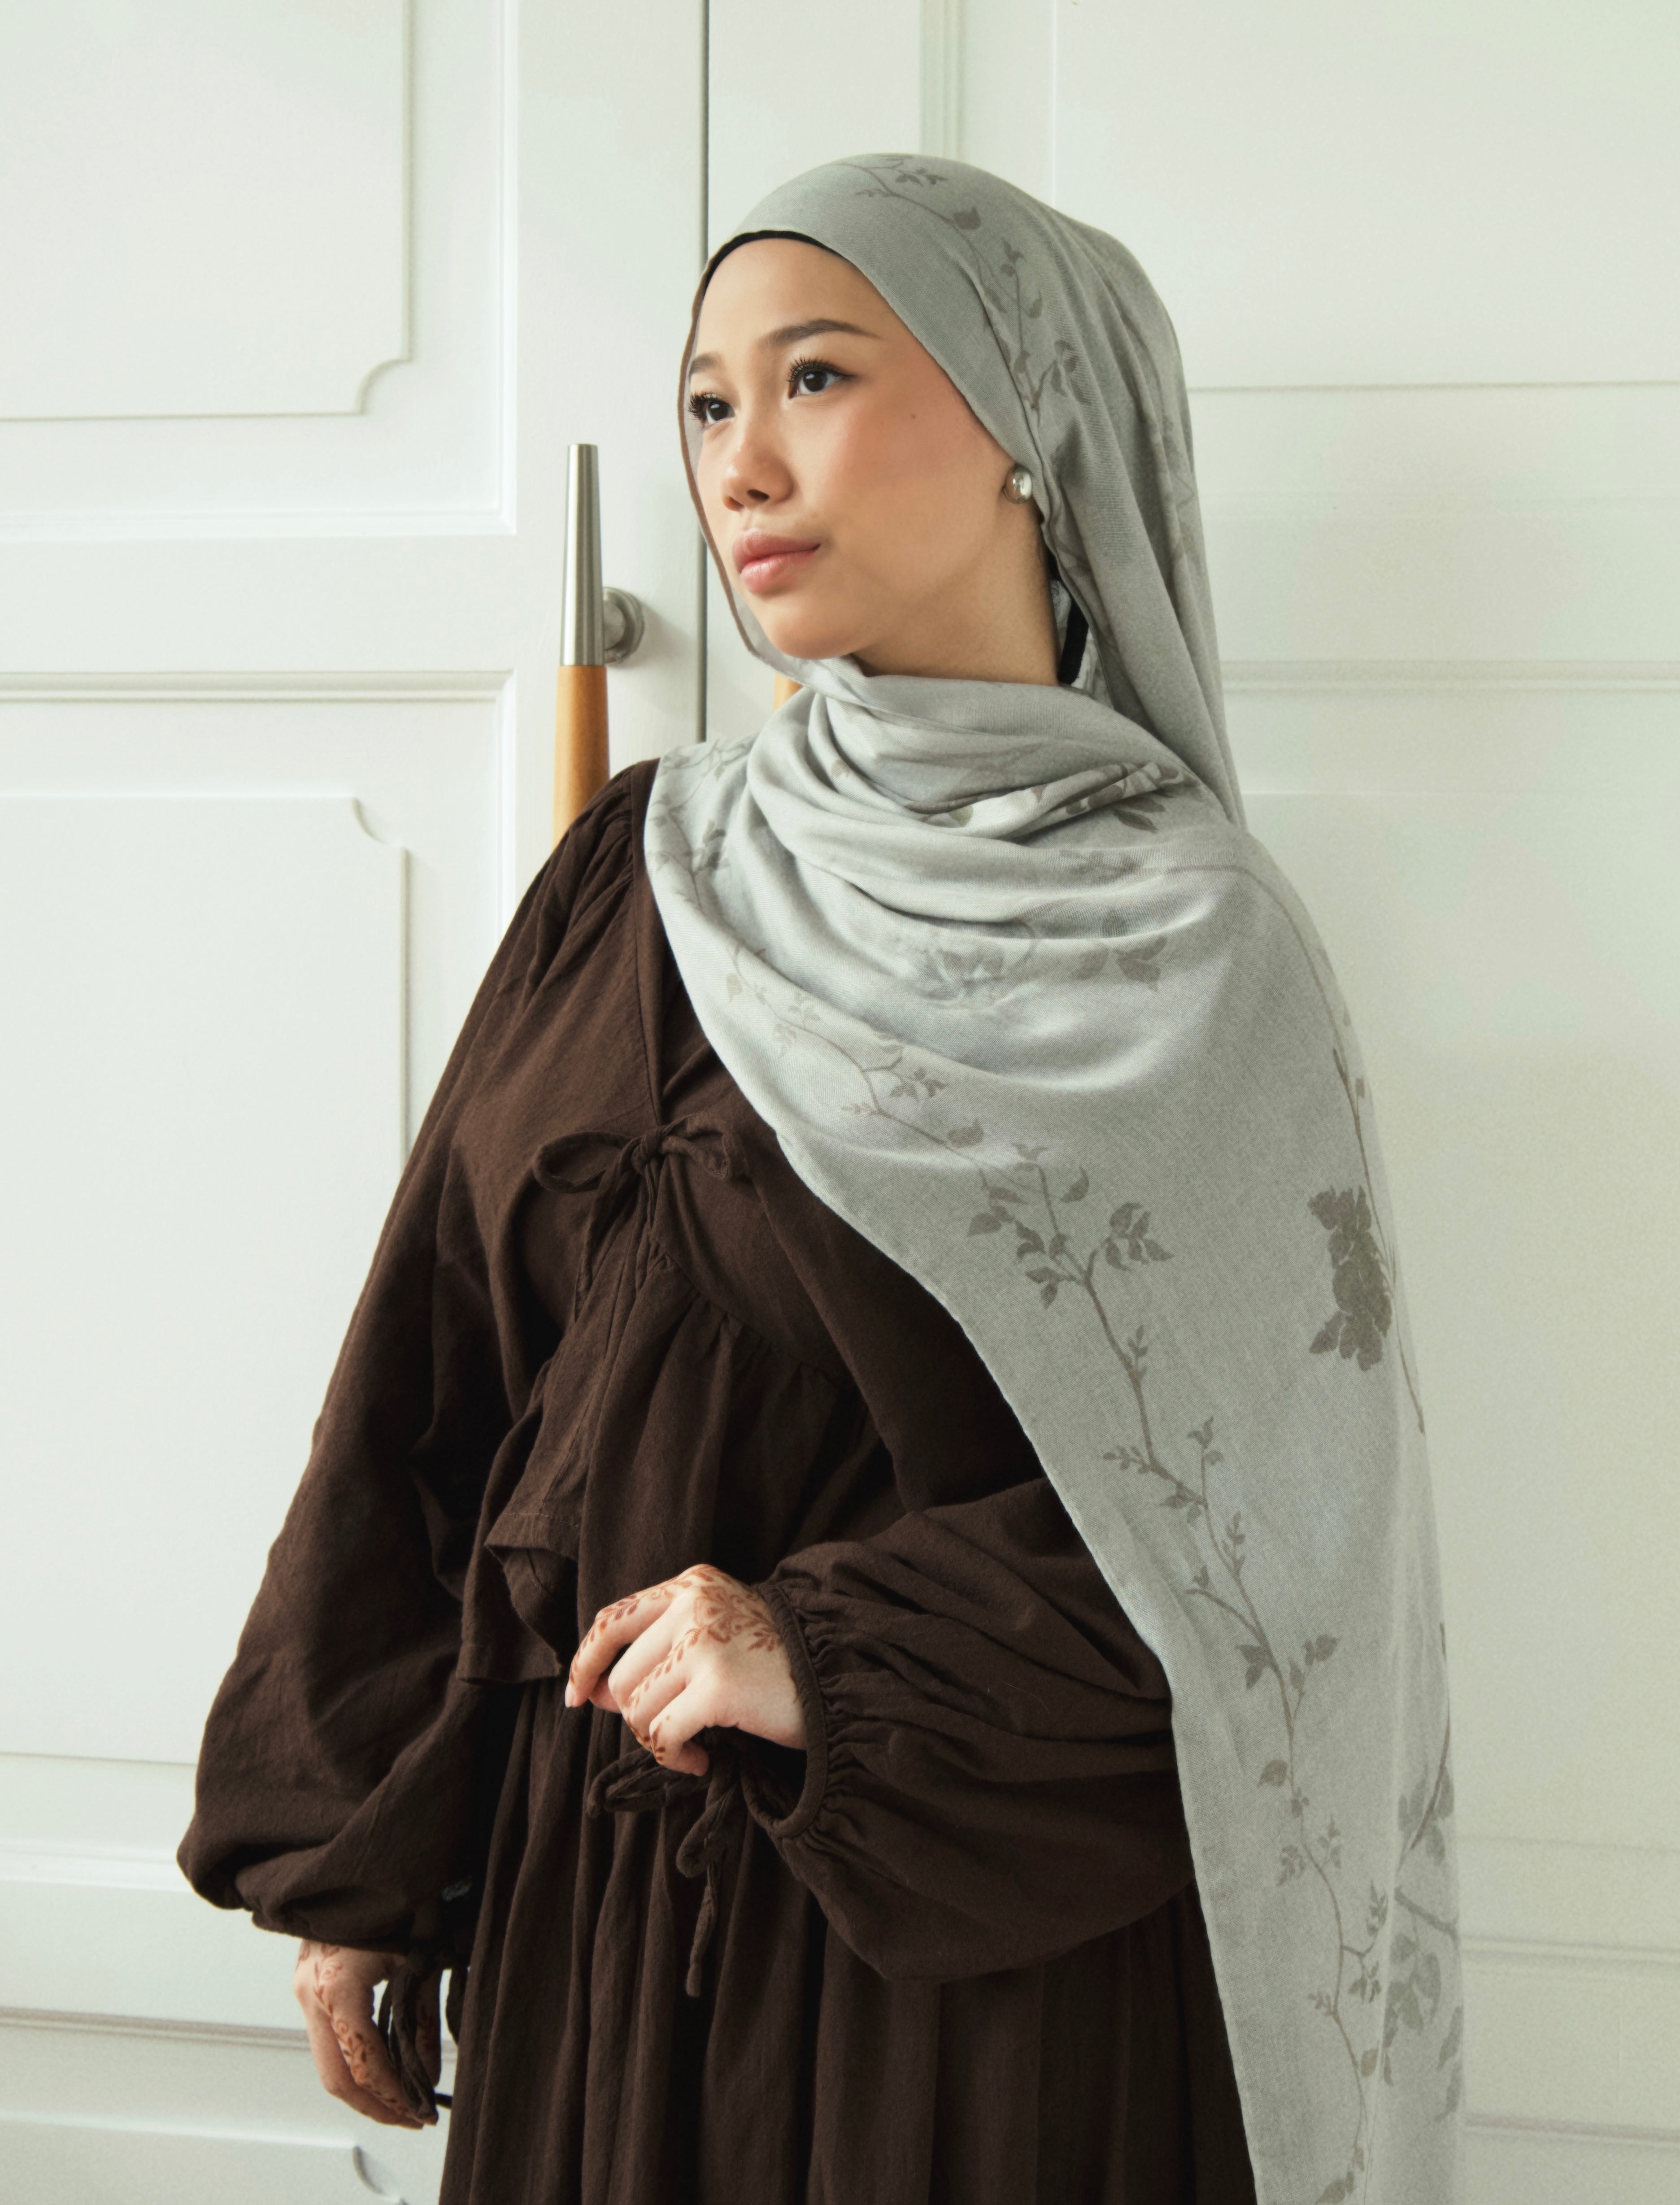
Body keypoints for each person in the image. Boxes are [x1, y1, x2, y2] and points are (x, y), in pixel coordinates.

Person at [181, 156, 1462, 2205]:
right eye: (708, 402)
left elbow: (1291, 1555)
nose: (742, 464)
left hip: (975, 1985)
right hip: (599, 1925)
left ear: (1032, 427)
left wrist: (830, 1652)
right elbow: (437, 1365)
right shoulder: (642, 871)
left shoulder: (1197, 945)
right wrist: (357, 1863)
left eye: (818, 378)